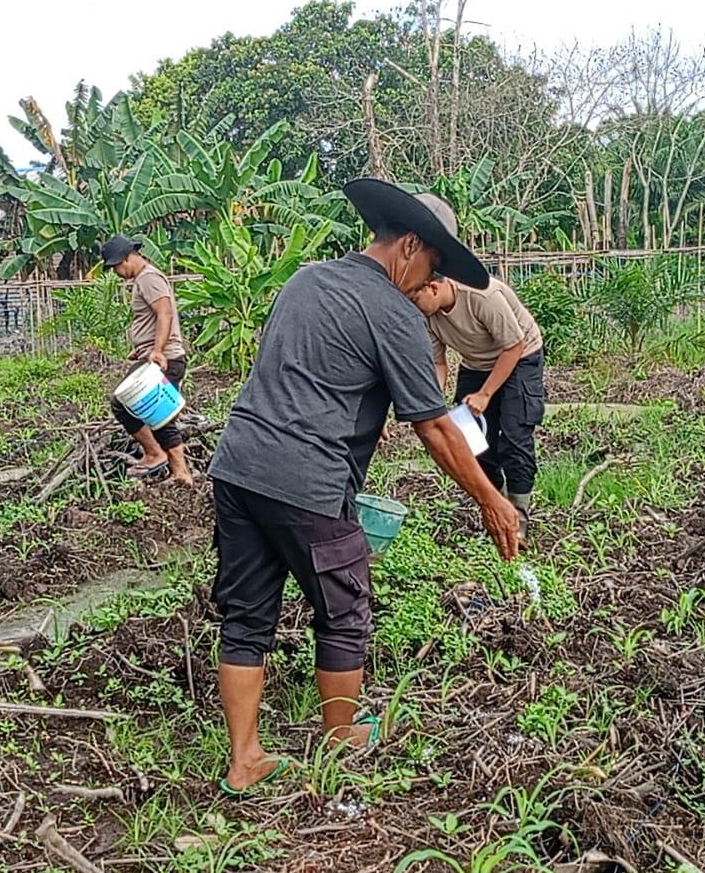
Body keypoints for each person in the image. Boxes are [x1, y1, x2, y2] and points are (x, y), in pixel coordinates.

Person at [206, 178, 521, 794]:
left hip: (238, 466)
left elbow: (303, 372)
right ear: (409, 246)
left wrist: (360, 414)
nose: (426, 281)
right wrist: (493, 500)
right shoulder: (392, 312)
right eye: (430, 264)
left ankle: (245, 759)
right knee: (345, 610)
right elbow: (433, 425)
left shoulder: (305, 280)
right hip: (308, 480)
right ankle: (343, 742)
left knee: (245, 616)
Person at [411, 274, 545, 540]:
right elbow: (439, 363)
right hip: (476, 364)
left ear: (434, 288)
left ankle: (518, 520)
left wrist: (485, 394)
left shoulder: (482, 295)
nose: (412, 304)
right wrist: (433, 402)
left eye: (415, 298)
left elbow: (513, 346)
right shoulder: (428, 315)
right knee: (471, 441)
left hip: (520, 356)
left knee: (514, 438)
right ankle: (496, 506)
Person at [102, 235, 194, 488]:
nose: (117, 273)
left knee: (151, 411)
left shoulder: (149, 278)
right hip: (158, 355)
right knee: (142, 408)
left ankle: (168, 463)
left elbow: (164, 313)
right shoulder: (143, 279)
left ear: (127, 258)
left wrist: (157, 350)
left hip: (167, 358)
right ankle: (168, 463)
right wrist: (143, 349)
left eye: (116, 267)